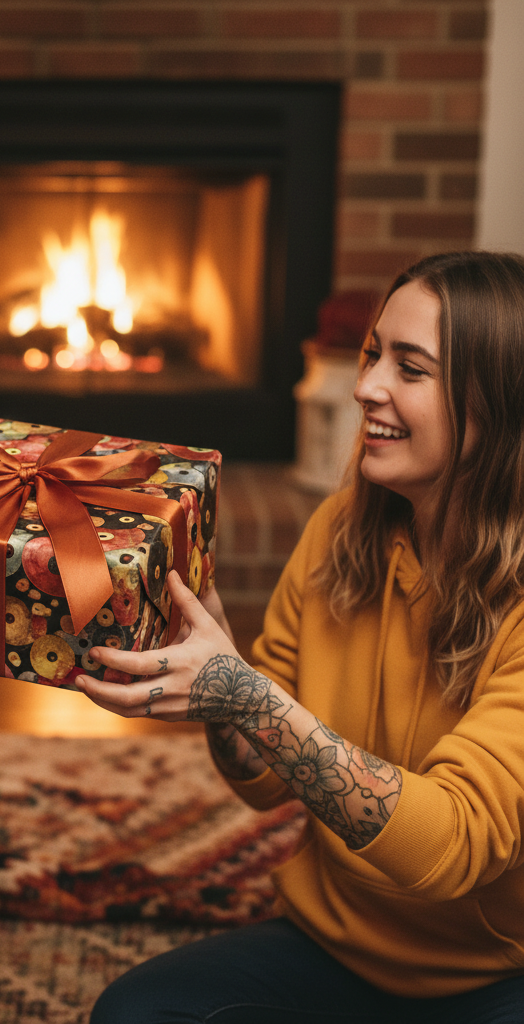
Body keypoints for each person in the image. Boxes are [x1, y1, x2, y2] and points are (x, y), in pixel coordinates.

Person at [76, 250, 524, 1023]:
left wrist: (246, 693)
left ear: (500, 408)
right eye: (374, 353)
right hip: (330, 947)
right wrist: (215, 683)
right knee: (135, 1014)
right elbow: (263, 782)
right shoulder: (339, 531)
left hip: (491, 975)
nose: (365, 387)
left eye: (411, 369)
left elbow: (452, 846)